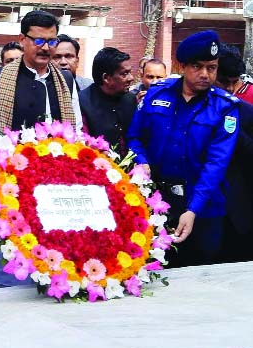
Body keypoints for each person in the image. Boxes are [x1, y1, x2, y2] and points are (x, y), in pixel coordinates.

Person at [127, 30, 239, 267]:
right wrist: (141, 161)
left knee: (198, 281)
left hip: (204, 208)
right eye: (198, 66)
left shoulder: (224, 107)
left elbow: (216, 164)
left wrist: (193, 210)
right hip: (158, 203)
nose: (205, 74)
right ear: (182, 66)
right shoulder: (156, 94)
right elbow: (135, 138)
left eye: (212, 67)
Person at [0, 10, 82, 155]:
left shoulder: (66, 80)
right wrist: (14, 153)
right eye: (38, 41)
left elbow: (77, 129)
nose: (45, 48)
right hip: (12, 168)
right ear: (22, 39)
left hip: (59, 169)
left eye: (51, 41)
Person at [215, 45, 253, 263]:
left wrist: (233, 129)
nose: (229, 89)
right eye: (224, 81)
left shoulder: (246, 114)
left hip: (237, 213)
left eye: (234, 82)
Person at [79, 47, 136, 154]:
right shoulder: (82, 101)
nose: (131, 78)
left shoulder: (130, 99)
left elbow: (135, 137)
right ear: (106, 78)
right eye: (124, 74)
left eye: (130, 72)